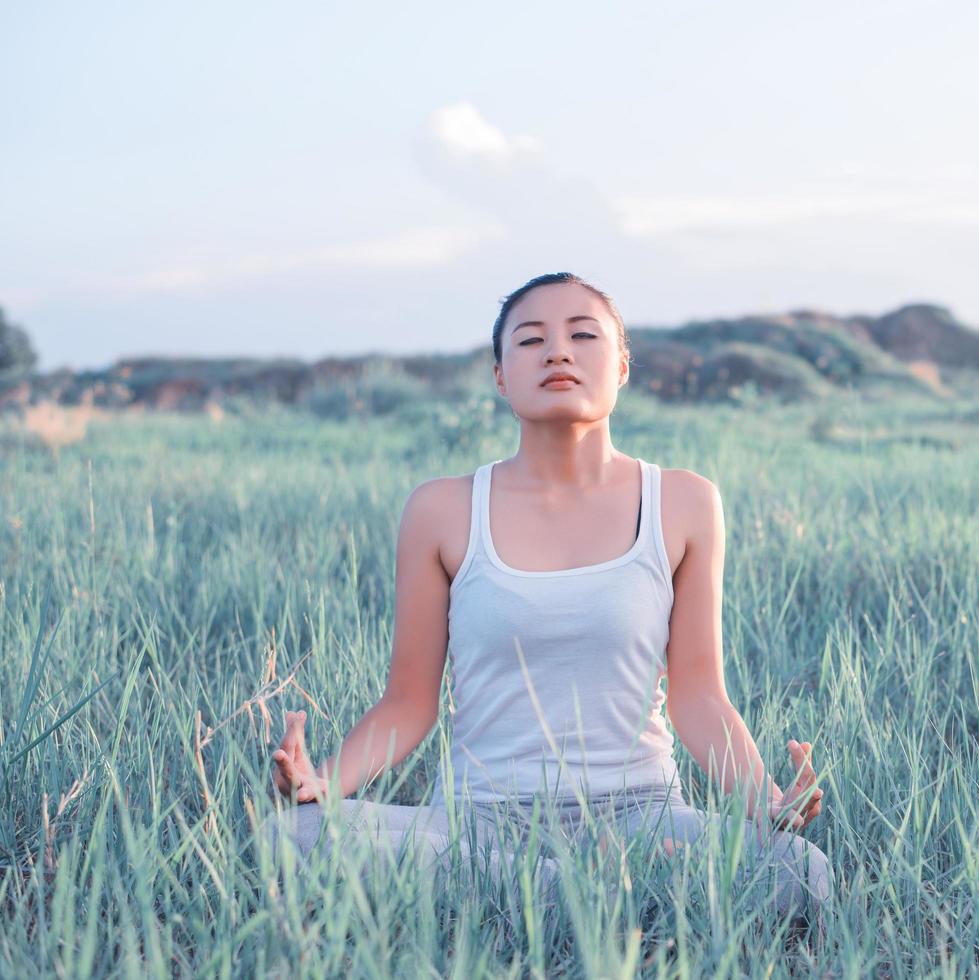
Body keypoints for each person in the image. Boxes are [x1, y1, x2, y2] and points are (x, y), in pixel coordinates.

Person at [257, 272, 829, 931]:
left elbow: (699, 695)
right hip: (481, 819)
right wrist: (322, 786)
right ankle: (597, 896)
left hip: (641, 813)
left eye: (583, 334)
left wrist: (763, 800)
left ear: (620, 365)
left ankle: (536, 901)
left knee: (801, 870)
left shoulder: (683, 501)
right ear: (501, 376)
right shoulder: (441, 508)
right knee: (290, 839)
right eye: (530, 340)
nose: (557, 351)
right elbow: (408, 701)